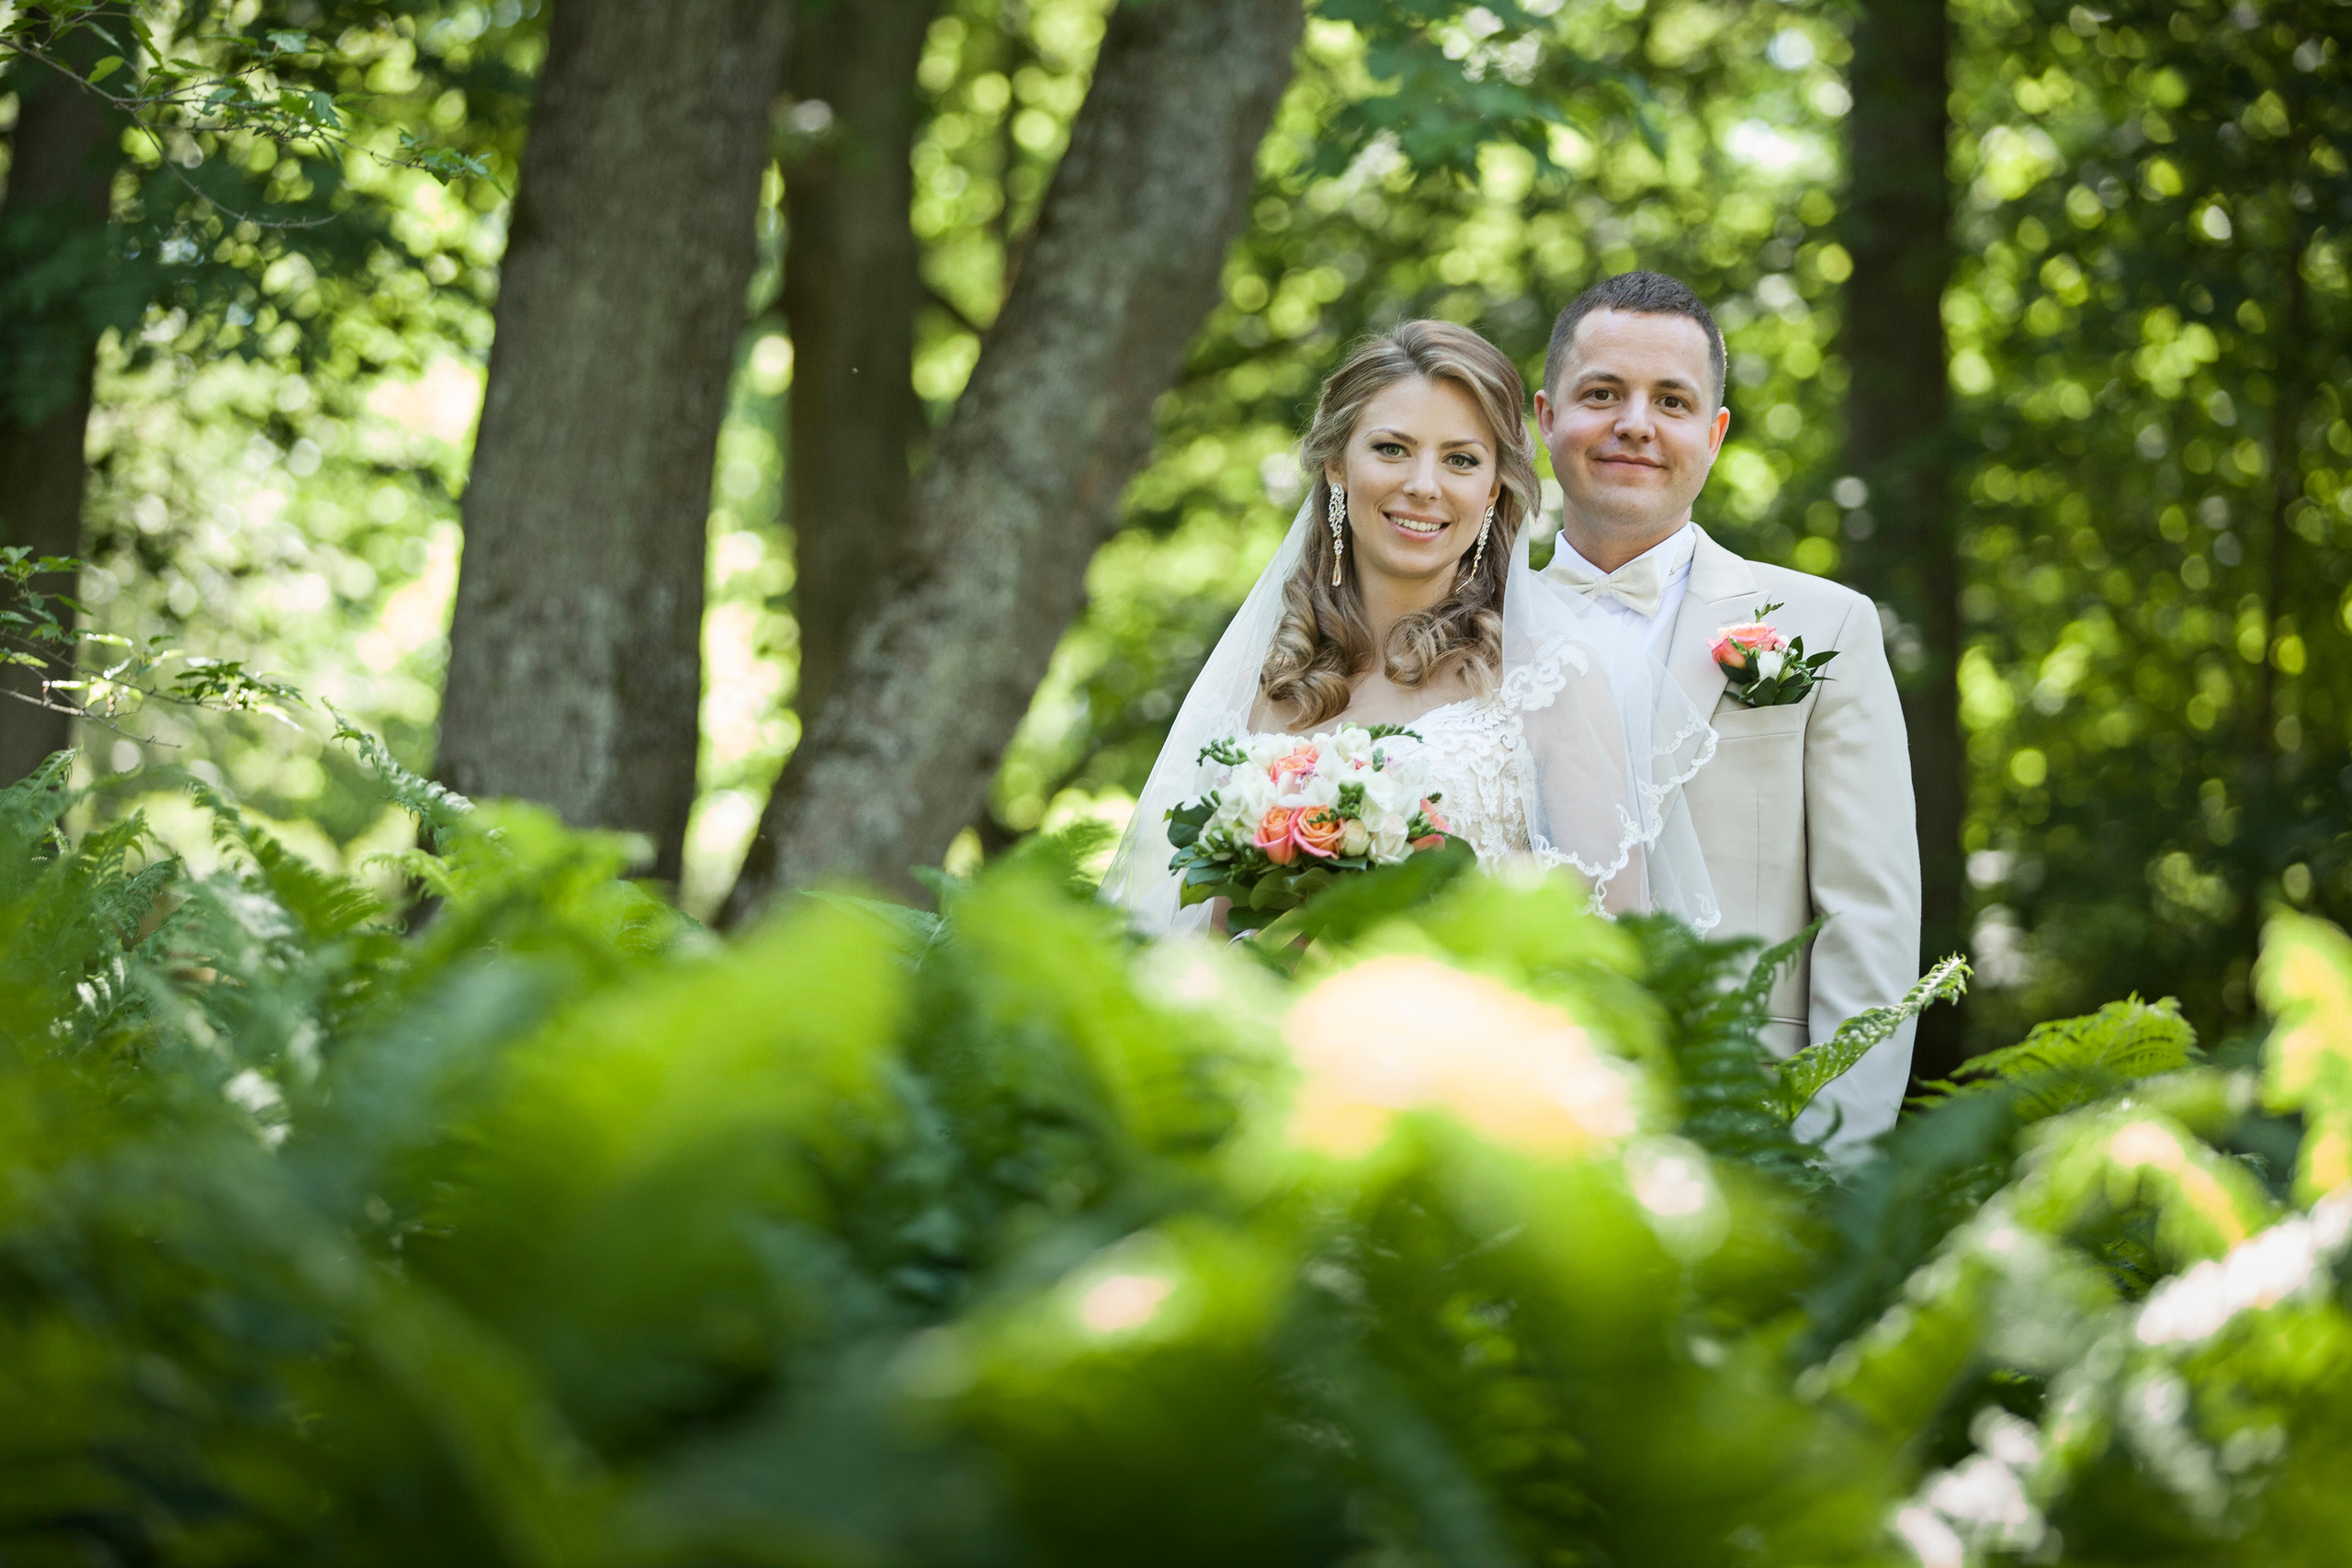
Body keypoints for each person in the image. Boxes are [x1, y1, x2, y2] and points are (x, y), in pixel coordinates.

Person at [1103, 319, 1718, 939]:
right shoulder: (1258, 684)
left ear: (1491, 490)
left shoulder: (1549, 682)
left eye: (1460, 459)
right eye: (1392, 449)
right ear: (1338, 466)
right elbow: (1203, 937)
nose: (1424, 486)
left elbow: (1611, 946)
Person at [1535, 270, 1922, 1158]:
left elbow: (1870, 922)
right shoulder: (1465, 632)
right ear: (1547, 416)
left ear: (1712, 437)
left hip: (1748, 1118)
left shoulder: (1827, 627)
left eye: (1671, 401)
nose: (1636, 422)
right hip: (1522, 1126)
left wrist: (1828, 1162)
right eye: (1604, 394)